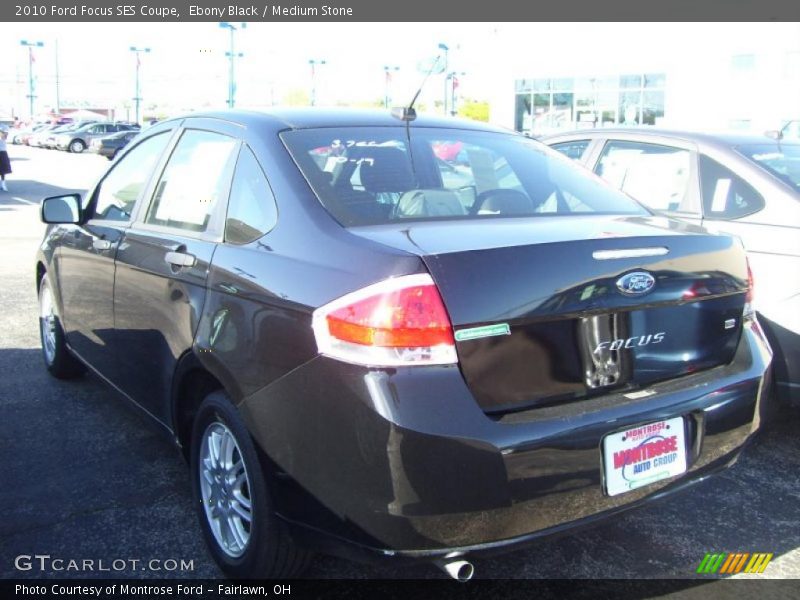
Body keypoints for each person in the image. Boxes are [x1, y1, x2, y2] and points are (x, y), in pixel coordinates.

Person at [0, 126, 11, 191]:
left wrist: (3, 132)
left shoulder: (3, 137)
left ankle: (3, 184)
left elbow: (6, 134)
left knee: (3, 170)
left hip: (3, 153)